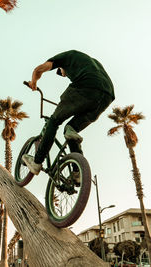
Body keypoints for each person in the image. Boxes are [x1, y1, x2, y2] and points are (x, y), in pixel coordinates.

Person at [22, 50, 115, 183]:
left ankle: (36, 162)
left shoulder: (63, 58)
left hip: (86, 87)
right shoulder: (91, 62)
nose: (63, 75)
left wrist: (33, 83)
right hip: (107, 96)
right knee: (71, 129)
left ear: (60, 67)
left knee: (54, 121)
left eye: (61, 72)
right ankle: (77, 173)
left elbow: (38, 70)